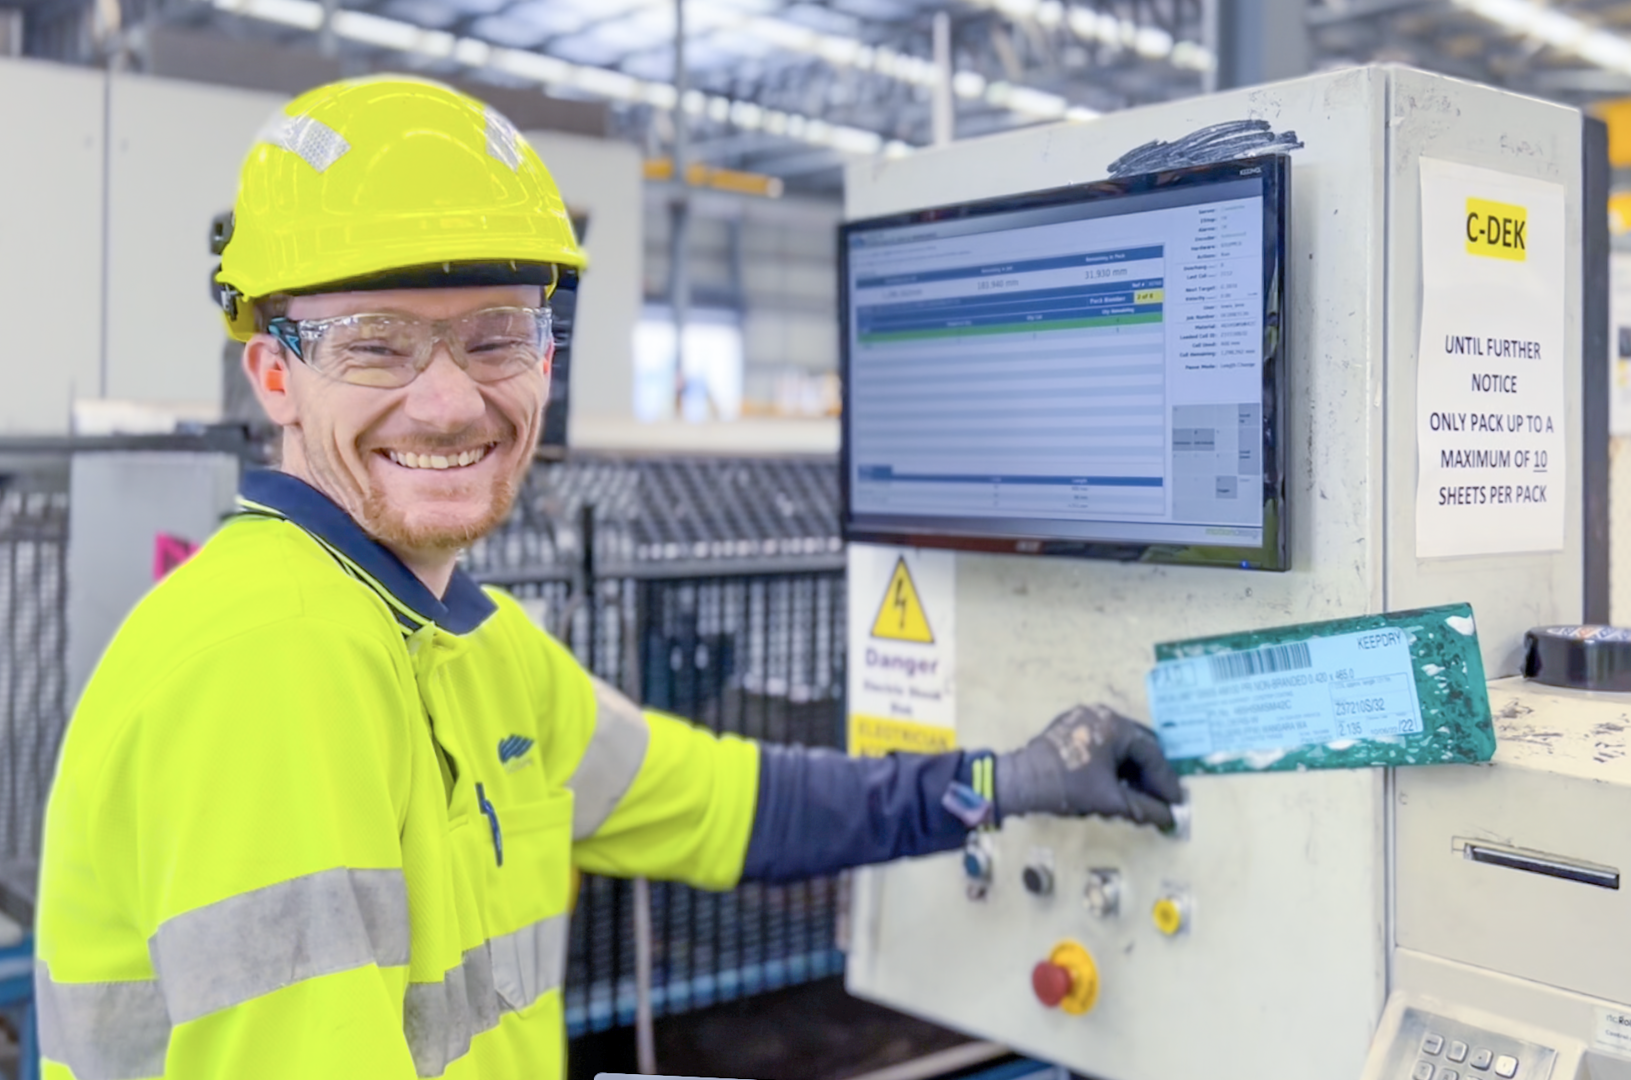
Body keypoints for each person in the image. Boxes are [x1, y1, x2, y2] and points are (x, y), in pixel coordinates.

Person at [33, 76, 1184, 1080]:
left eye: (494, 337)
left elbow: (734, 804)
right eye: (376, 343)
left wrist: (1009, 777)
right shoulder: (268, 662)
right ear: (273, 377)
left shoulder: (473, 646)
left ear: (544, 357)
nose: (449, 402)